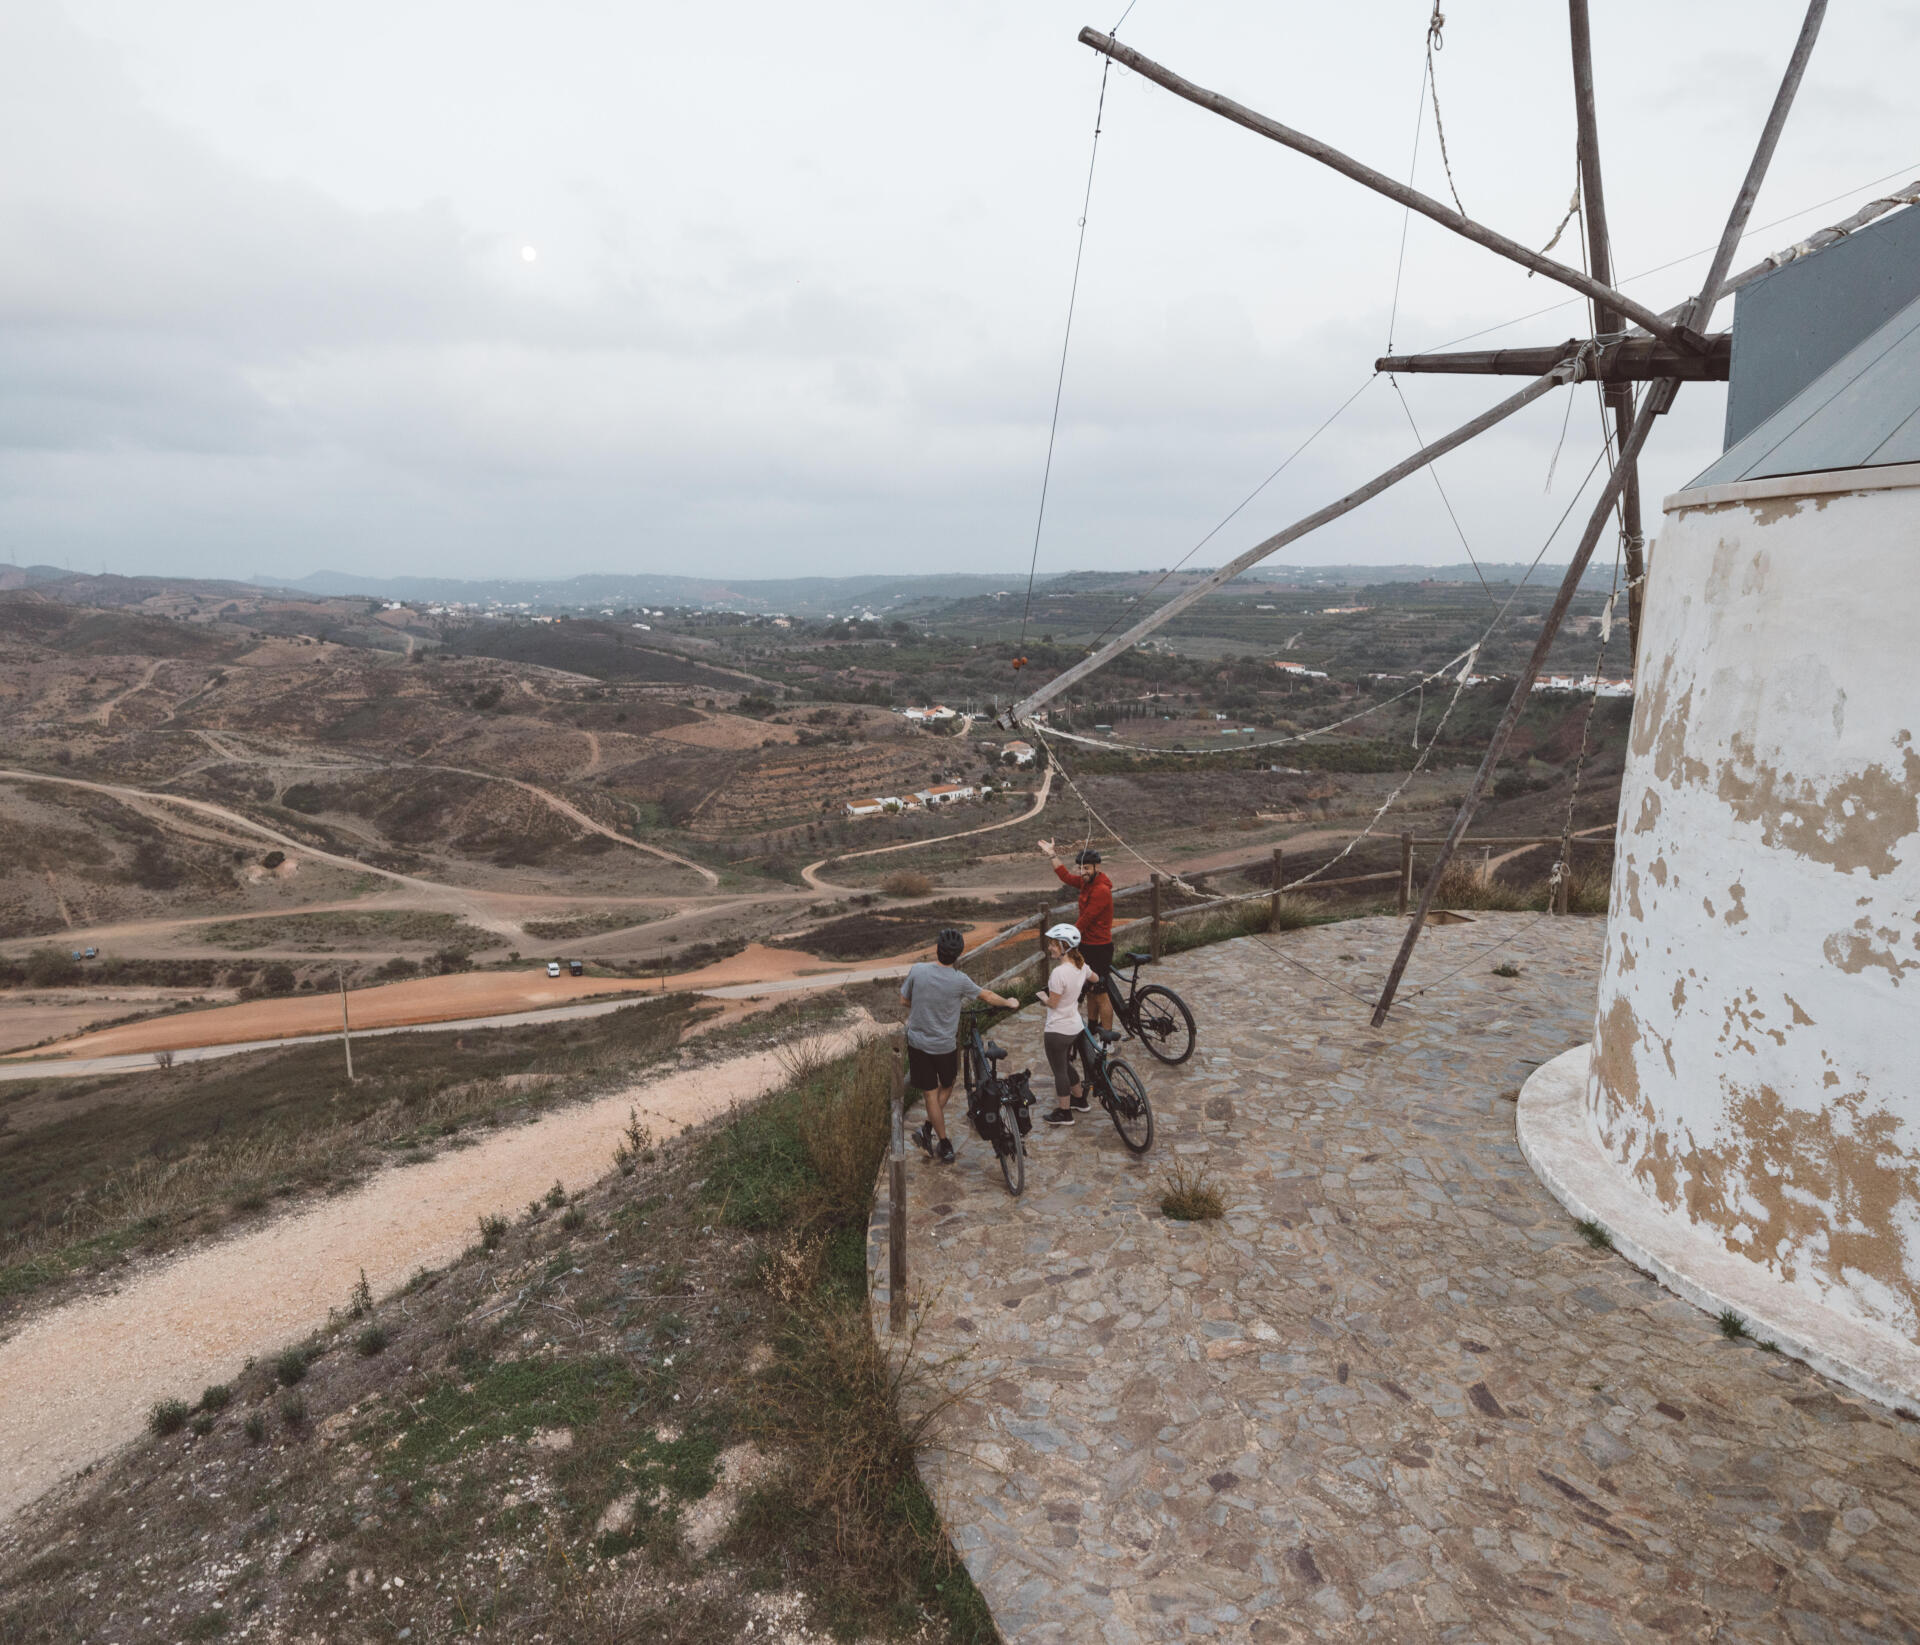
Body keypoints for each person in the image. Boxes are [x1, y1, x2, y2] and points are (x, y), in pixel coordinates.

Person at [900, 926, 1019, 1164]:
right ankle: (939, 1138)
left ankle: (935, 1136)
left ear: (937, 949)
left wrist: (924, 1007)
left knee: (930, 1095)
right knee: (948, 1083)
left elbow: (904, 1000)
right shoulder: (959, 981)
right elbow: (987, 996)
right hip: (945, 1045)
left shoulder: (918, 970)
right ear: (958, 955)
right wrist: (1010, 1002)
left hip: (918, 1042)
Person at [1040, 839, 1114, 1031]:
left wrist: (1064, 942)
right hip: (1087, 945)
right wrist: (1052, 854)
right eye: (1080, 868)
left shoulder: (1101, 890)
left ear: (1097, 867)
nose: (1082, 872)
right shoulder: (1086, 883)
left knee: (1101, 994)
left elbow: (1085, 920)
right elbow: (1065, 876)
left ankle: (1108, 1038)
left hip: (1099, 947)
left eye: (1087, 868)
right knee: (1090, 990)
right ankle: (1091, 1028)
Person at [1037, 923, 1091, 1127]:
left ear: (1065, 946)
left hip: (1057, 1029)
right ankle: (1080, 1100)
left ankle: (1064, 1112)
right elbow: (1093, 978)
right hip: (1075, 1026)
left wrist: (1042, 996)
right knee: (1066, 1066)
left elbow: (1053, 1003)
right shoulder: (1081, 966)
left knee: (1059, 1070)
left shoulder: (1059, 973)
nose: (1050, 948)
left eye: (1053, 944)